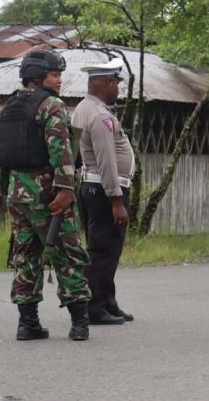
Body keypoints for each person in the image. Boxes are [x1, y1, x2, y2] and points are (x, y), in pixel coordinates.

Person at [0, 49, 92, 342]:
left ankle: (28, 325)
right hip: (48, 193)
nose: (60, 80)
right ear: (38, 77)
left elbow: (2, 155)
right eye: (55, 75)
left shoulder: (8, 107)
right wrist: (65, 189)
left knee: (25, 256)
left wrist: (7, 191)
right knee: (68, 254)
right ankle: (79, 324)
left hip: (17, 192)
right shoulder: (51, 105)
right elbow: (60, 150)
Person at [71, 57, 135, 325]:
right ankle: (95, 307)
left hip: (93, 187)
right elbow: (106, 158)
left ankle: (108, 301)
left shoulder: (82, 108)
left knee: (106, 249)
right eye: (116, 84)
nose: (118, 89)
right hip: (104, 189)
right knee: (102, 251)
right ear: (107, 83)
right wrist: (116, 201)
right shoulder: (99, 115)